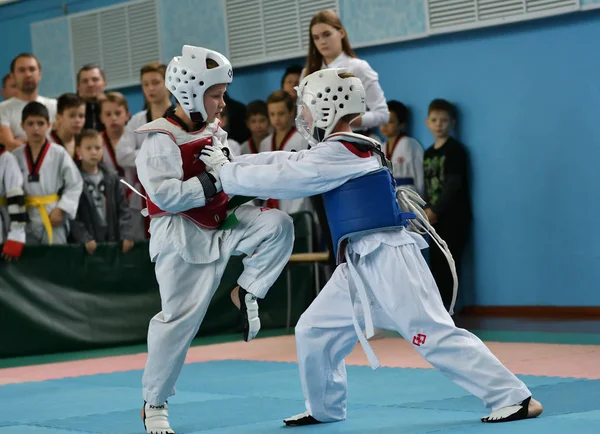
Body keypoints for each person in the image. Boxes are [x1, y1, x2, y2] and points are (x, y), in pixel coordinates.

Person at [200, 68, 543, 428]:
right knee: (314, 330)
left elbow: (289, 176)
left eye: (305, 107)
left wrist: (226, 173)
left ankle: (515, 397)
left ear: (326, 107)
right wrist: (232, 163)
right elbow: (285, 162)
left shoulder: (344, 149)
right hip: (360, 263)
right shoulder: (340, 148)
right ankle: (325, 407)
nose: (302, 115)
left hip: (388, 257)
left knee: (431, 333)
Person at [134, 45, 294, 434]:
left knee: (278, 225)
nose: (223, 102)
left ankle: (246, 290)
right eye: (216, 94)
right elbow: (166, 196)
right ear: (190, 93)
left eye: (222, 93)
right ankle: (154, 402)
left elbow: (228, 175)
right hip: (180, 235)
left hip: (222, 220)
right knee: (178, 322)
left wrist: (239, 179)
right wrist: (213, 179)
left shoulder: (213, 130)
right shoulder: (159, 139)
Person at [303, 9, 390, 265]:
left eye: (327, 34)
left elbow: (382, 114)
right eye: (316, 37)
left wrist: (345, 119)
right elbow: (304, 119)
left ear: (341, 32)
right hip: (321, 157)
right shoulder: (309, 72)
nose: (322, 41)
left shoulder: (358, 67)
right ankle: (342, 295)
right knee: (332, 238)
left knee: (360, 233)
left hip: (353, 155)